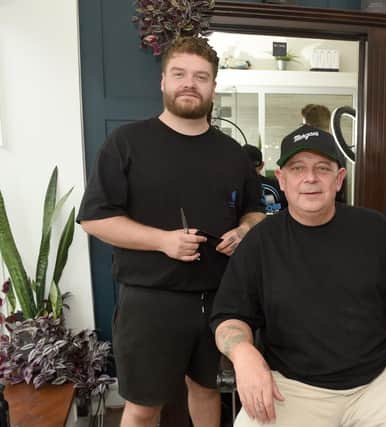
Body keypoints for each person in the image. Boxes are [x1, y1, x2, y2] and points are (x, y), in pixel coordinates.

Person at [211, 124, 386, 427]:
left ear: (339, 179)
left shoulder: (376, 231)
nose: (310, 178)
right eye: (297, 168)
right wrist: (243, 355)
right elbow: (229, 318)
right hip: (292, 387)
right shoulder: (259, 242)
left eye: (323, 168)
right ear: (282, 180)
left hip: (378, 380)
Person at [77, 36, 264, 427]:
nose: (189, 83)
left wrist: (245, 230)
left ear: (213, 87)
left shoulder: (233, 152)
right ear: (163, 82)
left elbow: (256, 212)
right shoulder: (126, 143)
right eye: (179, 74)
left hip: (218, 302)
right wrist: (162, 241)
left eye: (201, 76)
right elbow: (95, 218)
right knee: (144, 407)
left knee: (207, 390)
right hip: (149, 302)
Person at [241, 144, 287, 214]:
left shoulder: (271, 188)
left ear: (261, 165)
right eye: (246, 165)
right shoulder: (233, 187)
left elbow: (278, 209)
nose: (250, 169)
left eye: (254, 165)